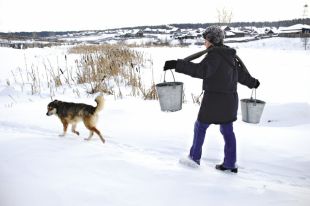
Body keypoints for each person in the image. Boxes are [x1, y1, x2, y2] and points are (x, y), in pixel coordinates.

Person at [163, 25, 260, 173]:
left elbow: (200, 71)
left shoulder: (214, 55)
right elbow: (242, 76)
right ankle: (230, 163)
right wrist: (253, 82)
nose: (204, 43)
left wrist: (177, 65)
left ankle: (194, 158)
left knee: (200, 127)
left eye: (206, 40)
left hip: (213, 100)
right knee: (228, 131)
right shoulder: (230, 55)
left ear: (212, 41)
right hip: (229, 101)